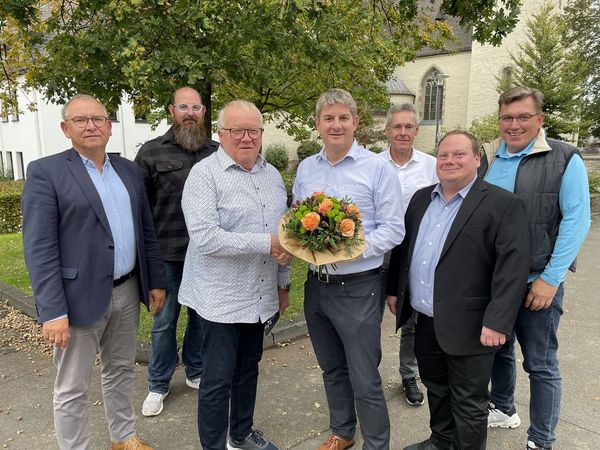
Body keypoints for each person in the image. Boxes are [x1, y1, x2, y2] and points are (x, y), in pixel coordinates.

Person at [21, 94, 166, 450]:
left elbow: (146, 230)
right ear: (65, 128)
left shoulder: (128, 170)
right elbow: (39, 248)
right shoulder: (46, 172)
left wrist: (156, 281)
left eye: (98, 119)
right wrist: (52, 310)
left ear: (109, 126)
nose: (91, 126)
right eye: (81, 120)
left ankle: (124, 438)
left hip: (127, 290)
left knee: (120, 370)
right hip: (76, 299)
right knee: (72, 387)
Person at [387, 131, 530, 450]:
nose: (449, 160)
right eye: (443, 155)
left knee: (469, 402)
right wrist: (396, 290)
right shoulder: (421, 199)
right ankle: (441, 441)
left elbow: (512, 269)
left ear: (477, 159)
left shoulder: (503, 204)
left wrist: (497, 322)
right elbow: (404, 250)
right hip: (426, 320)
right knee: (436, 388)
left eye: (459, 154)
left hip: (473, 325)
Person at [292, 88, 405, 450]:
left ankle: (377, 444)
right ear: (317, 124)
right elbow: (295, 221)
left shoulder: (377, 168)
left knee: (364, 376)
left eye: (343, 118)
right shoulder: (307, 168)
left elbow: (394, 229)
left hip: (358, 287)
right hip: (316, 286)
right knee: (331, 368)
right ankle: (342, 432)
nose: (336, 125)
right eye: (329, 118)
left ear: (355, 122)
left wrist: (352, 250)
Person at [481, 87, 591, 450]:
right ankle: (503, 408)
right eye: (507, 118)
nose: (514, 125)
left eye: (524, 117)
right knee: (498, 350)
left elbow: (577, 220)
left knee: (541, 365)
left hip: (536, 282)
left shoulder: (564, 157)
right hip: (494, 282)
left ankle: (541, 439)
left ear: (539, 119)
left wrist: (550, 279)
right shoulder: (489, 156)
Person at [179, 100, 291, 450]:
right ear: (220, 133)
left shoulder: (272, 175)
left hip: (259, 296)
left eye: (253, 130)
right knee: (216, 381)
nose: (246, 137)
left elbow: (284, 235)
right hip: (220, 300)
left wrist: (283, 282)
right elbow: (206, 238)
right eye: (237, 130)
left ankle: (241, 434)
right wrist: (266, 243)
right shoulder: (204, 175)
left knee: (248, 369)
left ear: (261, 133)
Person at [135, 86, 218, 417]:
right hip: (166, 256)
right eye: (183, 107)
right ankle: (158, 383)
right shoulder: (151, 153)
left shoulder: (218, 152)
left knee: (200, 319)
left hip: (207, 255)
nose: (190, 113)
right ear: (171, 111)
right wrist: (147, 263)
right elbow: (139, 211)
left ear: (203, 112)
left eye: (195, 107)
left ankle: (195, 370)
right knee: (164, 323)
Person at [379, 102, 438, 407]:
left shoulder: (432, 166)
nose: (402, 132)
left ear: (416, 130)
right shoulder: (372, 165)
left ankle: (409, 374)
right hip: (378, 254)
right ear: (387, 130)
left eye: (408, 126)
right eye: (397, 126)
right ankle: (368, 377)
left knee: (412, 320)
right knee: (368, 319)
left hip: (415, 253)